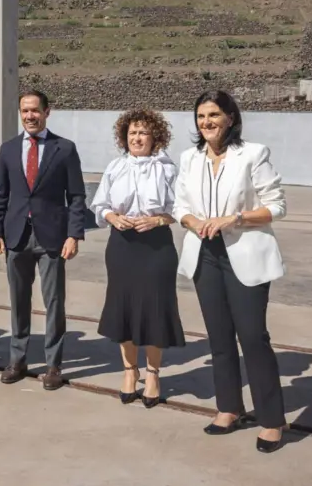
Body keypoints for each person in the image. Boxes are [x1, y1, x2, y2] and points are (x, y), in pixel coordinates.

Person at [173, 89, 289, 454]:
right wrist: (193, 222)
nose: (206, 122)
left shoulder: (253, 154)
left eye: (214, 115)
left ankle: (272, 419)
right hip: (204, 254)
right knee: (219, 338)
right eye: (201, 116)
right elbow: (179, 205)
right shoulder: (189, 158)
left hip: (245, 254)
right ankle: (229, 407)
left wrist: (234, 219)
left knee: (253, 338)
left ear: (231, 119)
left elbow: (277, 206)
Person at [0, 89, 86, 391]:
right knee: (19, 301)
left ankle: (53, 364)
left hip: (52, 238)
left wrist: (74, 234)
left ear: (47, 112)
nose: (29, 116)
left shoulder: (64, 149)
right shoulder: (8, 149)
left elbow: (77, 195)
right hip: (16, 235)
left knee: (54, 302)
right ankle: (17, 359)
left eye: (34, 110)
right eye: (24, 111)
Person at [90, 108, 185, 408]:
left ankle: (153, 374)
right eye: (132, 133)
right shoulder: (115, 167)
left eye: (143, 132)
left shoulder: (168, 169)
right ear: (124, 137)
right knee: (124, 308)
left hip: (156, 246)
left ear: (155, 136)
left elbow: (181, 208)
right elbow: (100, 204)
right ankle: (130, 371)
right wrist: (112, 217)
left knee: (155, 308)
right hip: (122, 244)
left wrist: (158, 220)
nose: (137, 137)